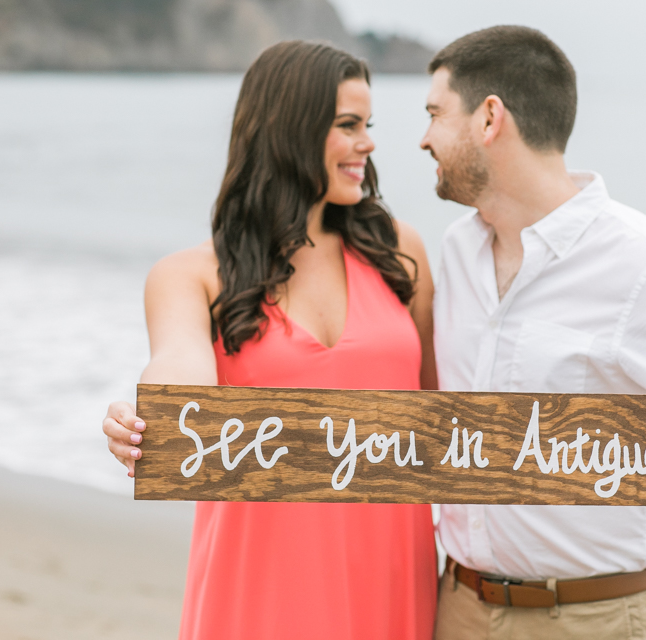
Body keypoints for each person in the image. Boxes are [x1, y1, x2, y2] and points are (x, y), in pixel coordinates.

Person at [420, 26, 646, 640]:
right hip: (455, 607)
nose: (424, 137)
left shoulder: (644, 266)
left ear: (490, 118)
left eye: (435, 114)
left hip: (590, 620)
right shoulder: (456, 252)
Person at [101, 41, 438, 639]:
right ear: (291, 131)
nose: (369, 143)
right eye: (348, 125)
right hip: (259, 590)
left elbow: (443, 411)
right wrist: (154, 419)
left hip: (390, 581)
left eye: (369, 125)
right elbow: (179, 367)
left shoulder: (399, 252)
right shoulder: (191, 275)